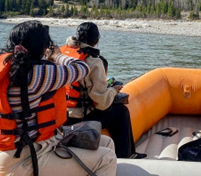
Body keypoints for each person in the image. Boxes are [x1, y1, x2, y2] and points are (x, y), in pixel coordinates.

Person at [0, 20, 117, 176]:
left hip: (21, 151)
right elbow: (82, 68)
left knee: (106, 142)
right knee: (107, 158)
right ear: (40, 47)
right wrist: (58, 56)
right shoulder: (38, 75)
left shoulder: (8, 67)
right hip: (26, 159)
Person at [61, 22, 144, 159]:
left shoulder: (62, 53)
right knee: (121, 111)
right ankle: (127, 155)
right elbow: (102, 102)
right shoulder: (93, 61)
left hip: (62, 116)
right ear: (96, 41)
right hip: (79, 118)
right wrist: (113, 90)